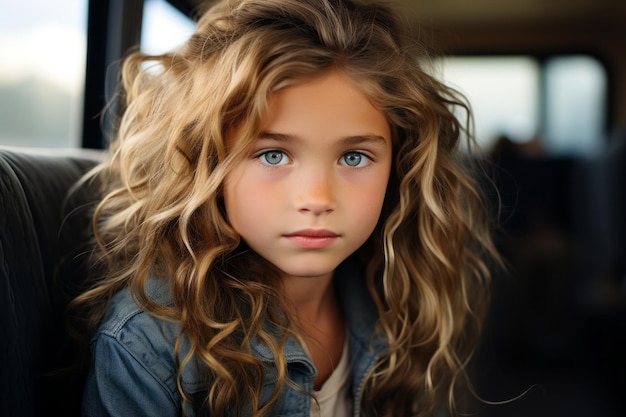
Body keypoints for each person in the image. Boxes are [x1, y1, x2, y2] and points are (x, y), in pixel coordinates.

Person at [70, 0, 501, 416]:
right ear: (208, 162)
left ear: (398, 167)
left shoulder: (405, 302)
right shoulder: (149, 341)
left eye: (354, 157)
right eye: (273, 155)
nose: (317, 199)